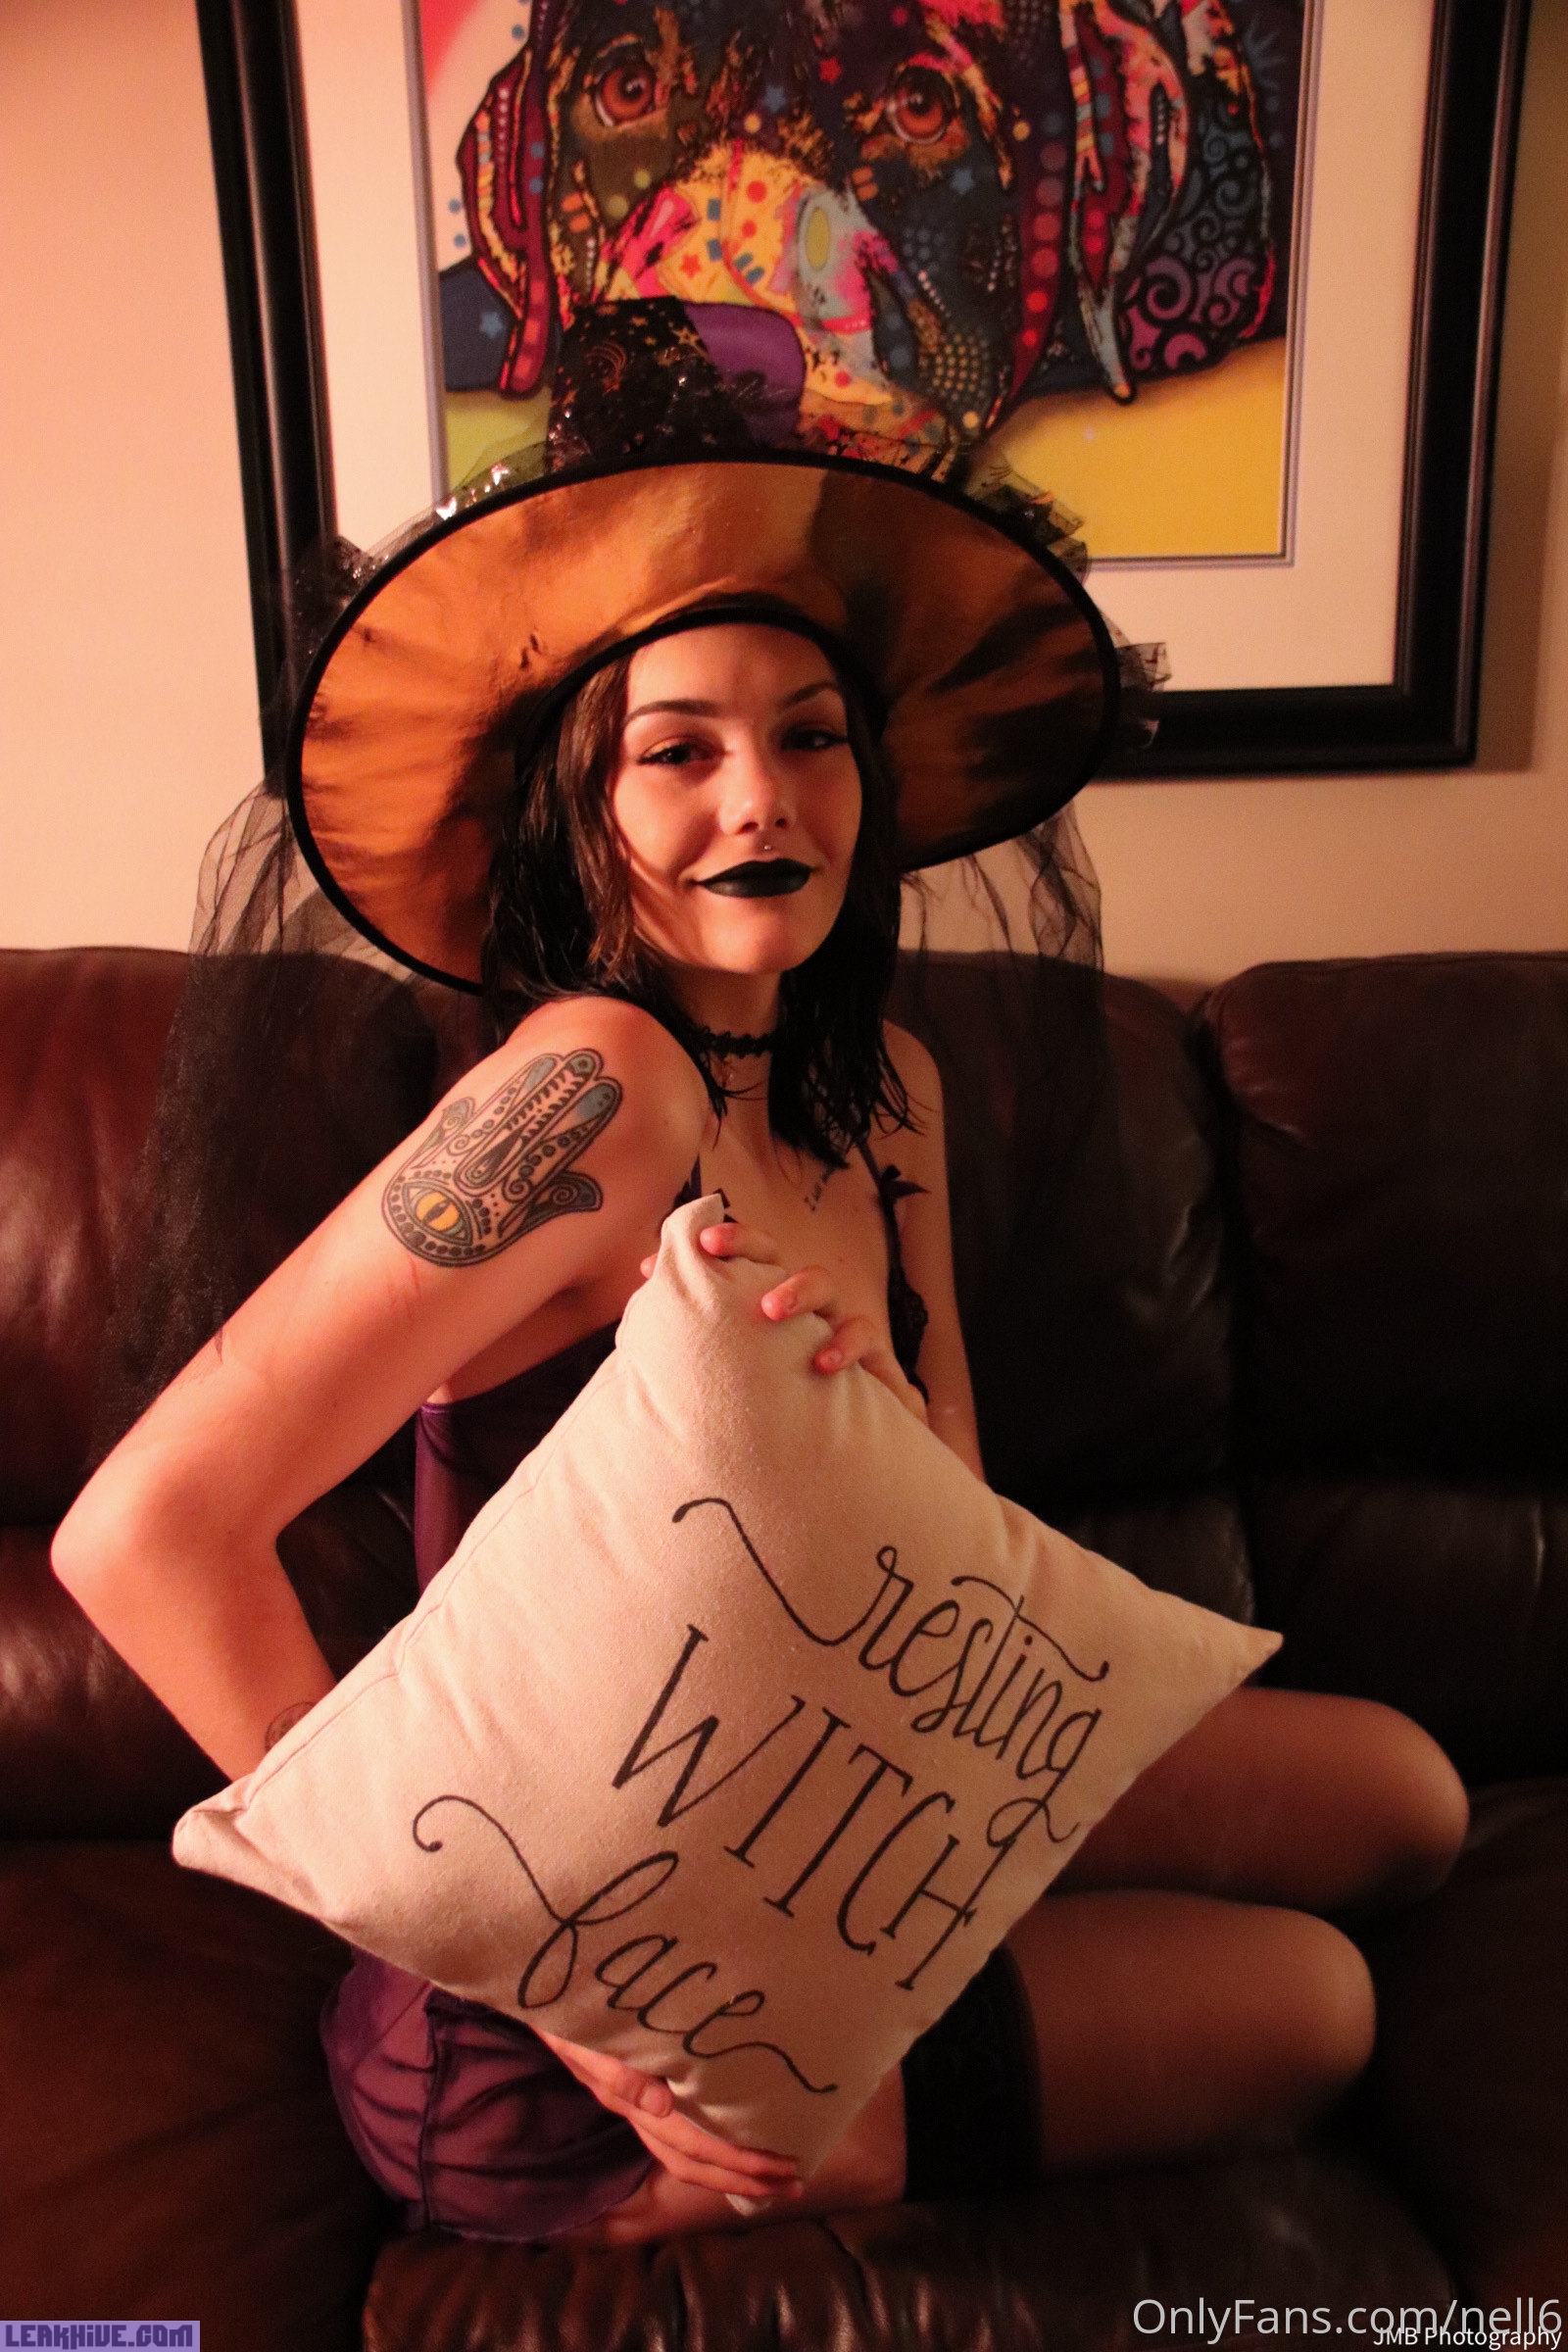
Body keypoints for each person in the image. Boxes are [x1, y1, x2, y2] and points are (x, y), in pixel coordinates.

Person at [51, 442, 1468, 2250]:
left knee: (1411, 1803)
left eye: (811, 736)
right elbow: (139, 1535)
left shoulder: (890, 1097)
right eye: (679, 751)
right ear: (580, 810)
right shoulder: (593, 1092)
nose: (763, 798)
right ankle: (821, 2142)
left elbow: (955, 1551)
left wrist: (873, 1455)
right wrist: (553, 1980)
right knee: (1315, 2008)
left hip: (846, 1801)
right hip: (579, 2009)